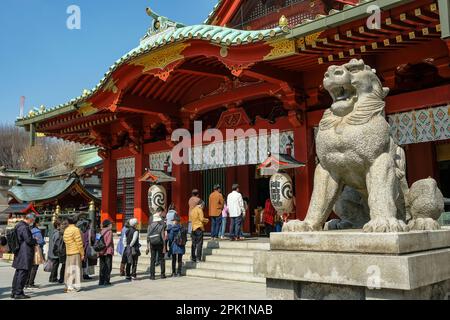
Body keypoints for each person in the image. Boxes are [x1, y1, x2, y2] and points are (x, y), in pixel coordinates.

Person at [11, 214, 37, 299]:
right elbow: (28, 240)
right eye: (32, 221)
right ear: (29, 219)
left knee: (18, 272)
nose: (32, 222)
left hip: (19, 251)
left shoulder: (19, 225)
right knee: (23, 273)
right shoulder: (24, 227)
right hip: (25, 252)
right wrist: (35, 240)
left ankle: (14, 291)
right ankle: (18, 293)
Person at [63, 216, 85, 293]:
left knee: (68, 268)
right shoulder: (76, 230)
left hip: (68, 251)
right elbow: (79, 242)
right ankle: (75, 285)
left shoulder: (66, 230)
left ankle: (68, 285)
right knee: (76, 269)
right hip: (75, 251)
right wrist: (82, 253)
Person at [147, 208, 167, 280]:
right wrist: (164, 246)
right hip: (160, 242)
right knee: (161, 258)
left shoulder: (150, 223)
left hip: (152, 242)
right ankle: (162, 274)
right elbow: (163, 235)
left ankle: (152, 276)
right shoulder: (161, 224)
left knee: (152, 259)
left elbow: (148, 234)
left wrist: (147, 245)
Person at [26, 218, 45, 289]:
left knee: (30, 267)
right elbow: (41, 241)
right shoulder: (37, 231)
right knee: (35, 267)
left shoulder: (30, 230)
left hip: (30, 250)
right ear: (36, 223)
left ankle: (27, 283)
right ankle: (31, 283)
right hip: (36, 250)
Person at [98, 219, 114, 286]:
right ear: (108, 225)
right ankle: (106, 281)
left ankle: (101, 281)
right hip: (107, 251)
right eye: (111, 224)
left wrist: (101, 250)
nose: (112, 225)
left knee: (102, 266)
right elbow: (108, 242)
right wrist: (104, 249)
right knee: (108, 266)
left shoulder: (101, 231)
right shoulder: (109, 232)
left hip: (101, 251)